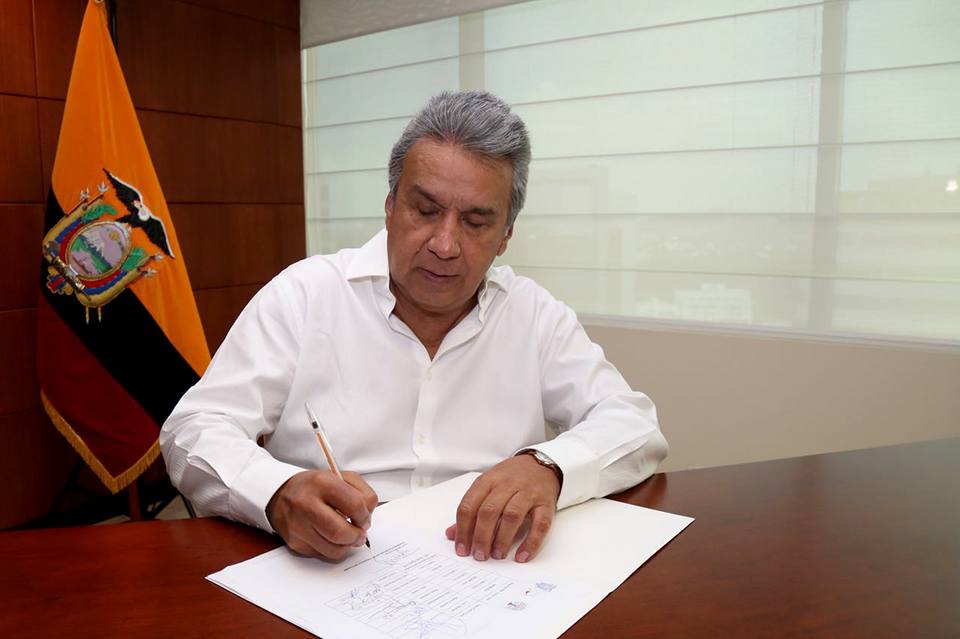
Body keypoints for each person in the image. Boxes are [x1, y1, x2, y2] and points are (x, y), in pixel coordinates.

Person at [160, 90, 667, 564]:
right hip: (331, 570)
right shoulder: (305, 295)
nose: (444, 245)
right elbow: (193, 430)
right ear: (390, 207)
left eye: (475, 223)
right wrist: (276, 492)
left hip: (488, 570)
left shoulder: (533, 314)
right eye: (425, 210)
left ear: (505, 236)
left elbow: (634, 426)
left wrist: (549, 466)